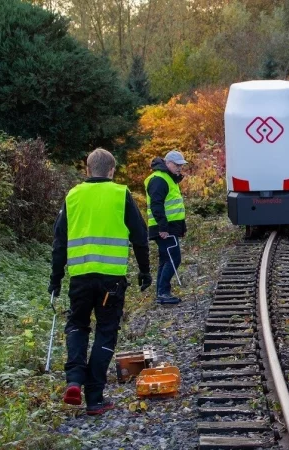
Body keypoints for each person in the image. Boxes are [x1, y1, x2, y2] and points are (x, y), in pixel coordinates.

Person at [49, 148, 152, 416]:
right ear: (111, 171)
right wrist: (144, 271)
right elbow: (140, 236)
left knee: (77, 325)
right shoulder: (121, 194)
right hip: (111, 280)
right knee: (106, 330)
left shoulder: (73, 196)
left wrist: (56, 278)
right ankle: (94, 397)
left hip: (80, 277)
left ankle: (73, 380)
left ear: (87, 169)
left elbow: (59, 241)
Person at [144, 150, 188, 305]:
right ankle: (163, 292)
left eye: (181, 165)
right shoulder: (159, 180)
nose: (179, 168)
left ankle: (161, 293)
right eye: (176, 165)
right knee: (173, 258)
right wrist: (163, 228)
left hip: (167, 227)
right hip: (163, 228)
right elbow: (157, 205)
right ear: (167, 163)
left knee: (165, 259)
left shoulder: (167, 178)